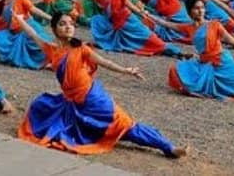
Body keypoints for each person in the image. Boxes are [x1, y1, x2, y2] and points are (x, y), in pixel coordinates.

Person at [15, 12, 189, 158]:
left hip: (92, 97)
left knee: (123, 124)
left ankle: (167, 147)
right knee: (43, 108)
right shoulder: (52, 50)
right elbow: (33, 34)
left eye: (70, 24)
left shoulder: (81, 48)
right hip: (72, 104)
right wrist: (20, 19)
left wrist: (125, 70)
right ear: (54, 29)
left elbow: (103, 61)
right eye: (62, 24)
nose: (68, 27)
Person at [90, 0, 184, 58]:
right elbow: (109, 17)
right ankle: (166, 51)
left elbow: (131, 7)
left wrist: (143, 14)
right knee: (136, 44)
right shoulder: (104, 2)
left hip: (131, 22)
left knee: (150, 38)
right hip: (121, 29)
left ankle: (176, 51)